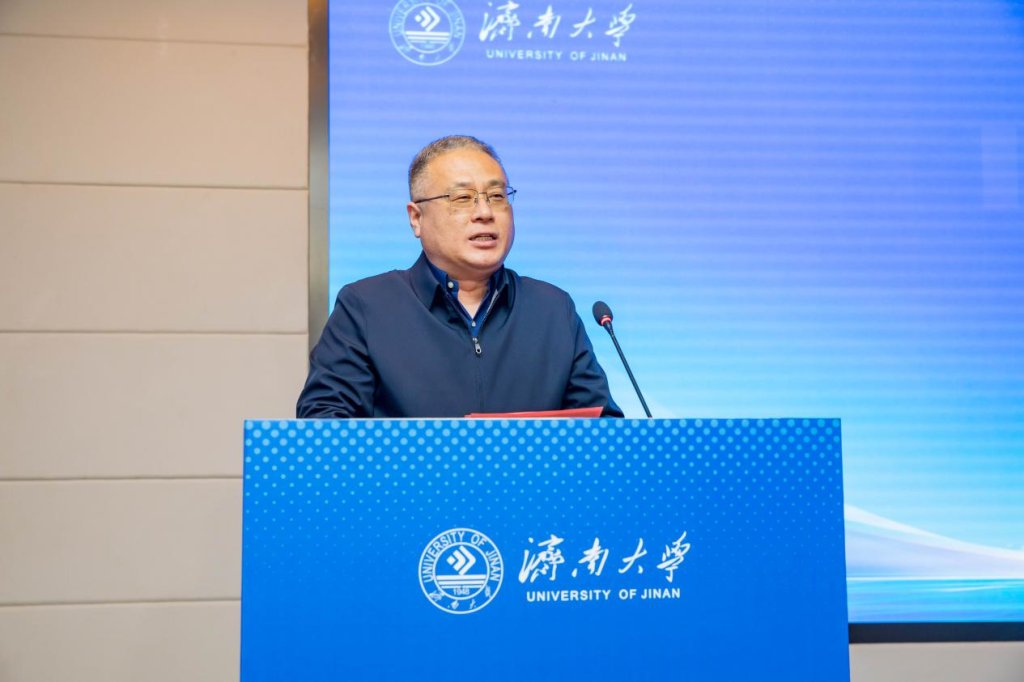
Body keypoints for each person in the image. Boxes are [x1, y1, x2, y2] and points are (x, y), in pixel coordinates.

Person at [296, 135, 622, 418]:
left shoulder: (553, 309)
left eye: (497, 196)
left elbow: (604, 432)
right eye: (462, 198)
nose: (485, 213)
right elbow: (325, 425)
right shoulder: (367, 307)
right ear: (416, 218)